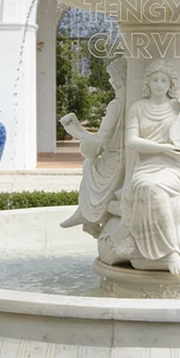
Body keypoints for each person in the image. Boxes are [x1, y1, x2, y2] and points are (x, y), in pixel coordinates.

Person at [120, 60, 180, 275]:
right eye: (155, 79)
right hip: (147, 166)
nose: (159, 84)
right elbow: (131, 141)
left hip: (176, 168)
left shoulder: (179, 107)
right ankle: (168, 250)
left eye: (164, 80)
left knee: (154, 187)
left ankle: (171, 252)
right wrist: (162, 148)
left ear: (170, 84)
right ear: (148, 82)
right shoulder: (138, 108)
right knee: (146, 185)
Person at [59, 58, 126, 236]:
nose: (112, 84)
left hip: (117, 157)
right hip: (123, 155)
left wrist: (79, 133)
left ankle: (87, 216)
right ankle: (86, 217)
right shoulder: (134, 103)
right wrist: (81, 132)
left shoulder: (117, 105)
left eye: (113, 81)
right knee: (91, 164)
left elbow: (101, 141)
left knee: (90, 165)